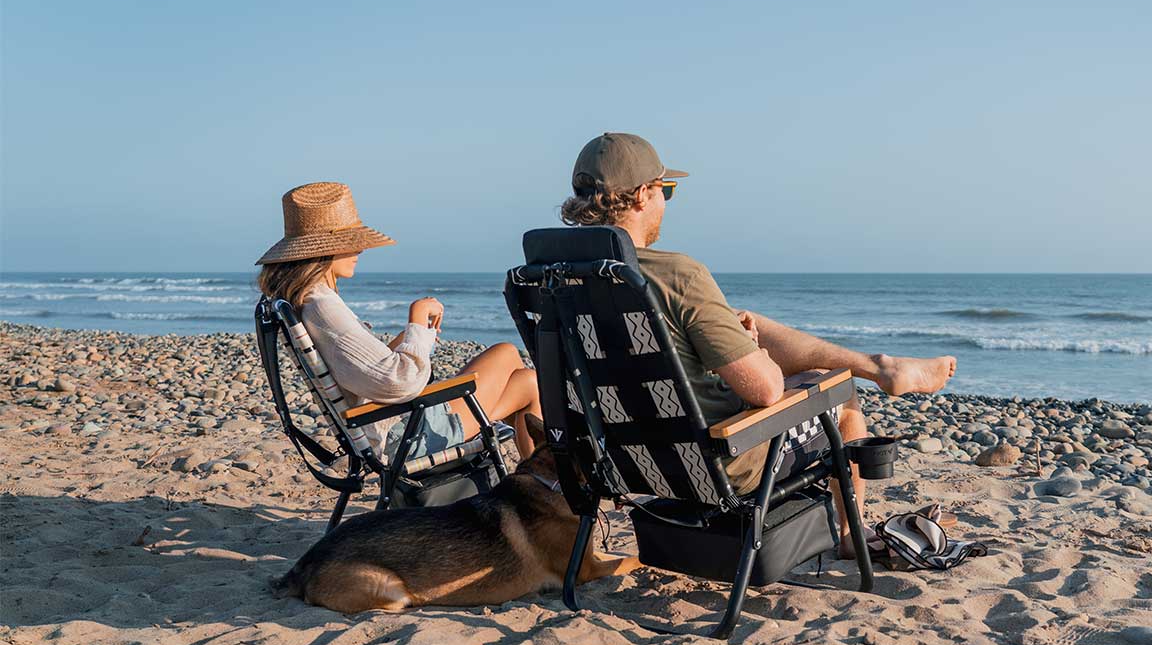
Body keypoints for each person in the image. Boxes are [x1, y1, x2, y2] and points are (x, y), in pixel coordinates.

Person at [559, 133, 957, 555]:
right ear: (641, 196)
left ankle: (881, 366)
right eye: (665, 191)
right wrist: (758, 352)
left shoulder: (557, 280)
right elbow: (765, 391)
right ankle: (848, 535)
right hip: (720, 464)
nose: (664, 203)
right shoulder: (678, 276)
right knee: (838, 390)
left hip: (618, 463)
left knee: (747, 330)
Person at [257, 181, 541, 460]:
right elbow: (402, 383)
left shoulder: (309, 301)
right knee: (514, 363)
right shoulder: (324, 308)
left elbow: (369, 369)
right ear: (324, 250)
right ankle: (545, 485)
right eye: (350, 243)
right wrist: (417, 319)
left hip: (395, 422)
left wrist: (411, 334)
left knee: (523, 375)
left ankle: (539, 484)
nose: (360, 251)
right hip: (406, 434)